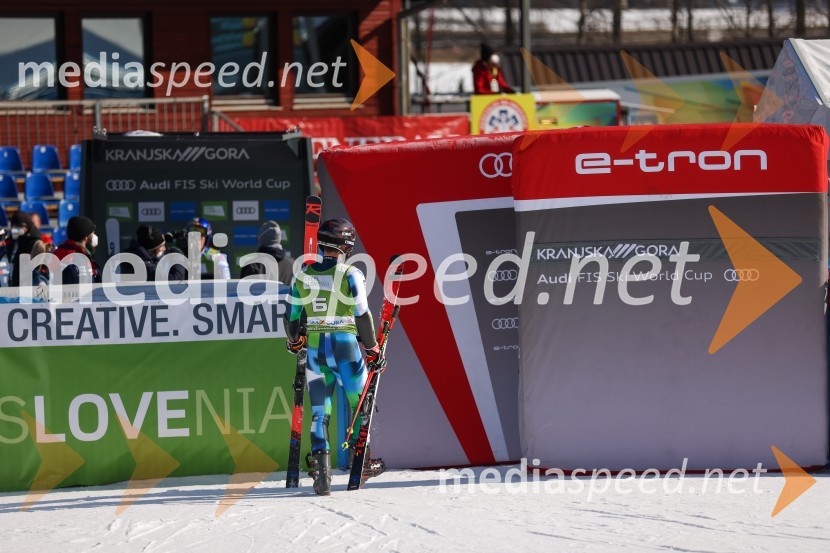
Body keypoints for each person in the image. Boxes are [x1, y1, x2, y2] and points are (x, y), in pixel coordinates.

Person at [283, 218, 386, 496]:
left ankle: (322, 474)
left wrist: (295, 341)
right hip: (346, 346)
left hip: (316, 348)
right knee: (360, 404)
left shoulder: (301, 275)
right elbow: (362, 315)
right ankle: (360, 461)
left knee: (320, 413)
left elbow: (291, 318)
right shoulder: (352, 273)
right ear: (347, 246)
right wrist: (373, 347)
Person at [121, 225, 186, 282]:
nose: (165, 249)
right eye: (162, 246)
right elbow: (175, 280)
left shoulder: (134, 256)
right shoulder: (142, 266)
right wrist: (177, 254)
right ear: (151, 251)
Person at [53, 215, 101, 285]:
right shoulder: (77, 258)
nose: (94, 236)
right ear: (86, 237)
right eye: (92, 233)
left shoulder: (59, 252)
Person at [8, 211, 43, 287]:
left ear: (27, 227)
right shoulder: (11, 241)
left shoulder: (35, 243)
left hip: (26, 285)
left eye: (19, 226)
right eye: (13, 226)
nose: (15, 229)